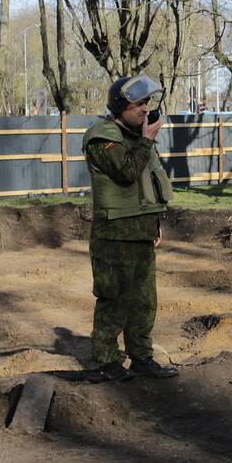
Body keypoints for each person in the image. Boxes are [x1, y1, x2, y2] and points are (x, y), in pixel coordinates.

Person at [82, 74, 179, 382]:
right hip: (114, 234)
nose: (144, 110)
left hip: (141, 231)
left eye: (146, 103)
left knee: (143, 301)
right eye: (138, 104)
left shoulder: (138, 137)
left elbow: (146, 184)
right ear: (120, 105)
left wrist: (155, 222)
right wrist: (147, 140)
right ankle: (107, 361)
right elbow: (126, 171)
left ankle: (141, 357)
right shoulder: (102, 136)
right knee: (115, 299)